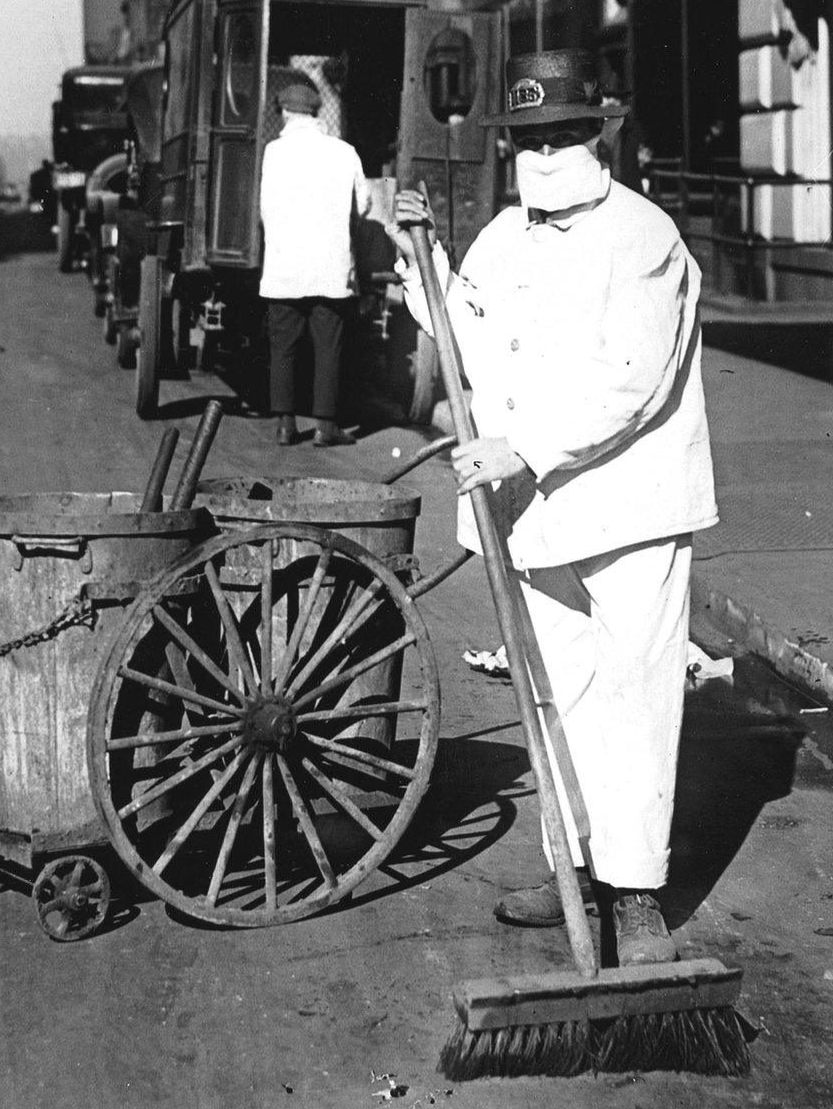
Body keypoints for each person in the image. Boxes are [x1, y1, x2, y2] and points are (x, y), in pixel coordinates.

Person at [390, 47, 717, 967]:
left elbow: (633, 382)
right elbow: (464, 333)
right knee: (556, 695)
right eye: (527, 137)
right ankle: (574, 872)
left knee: (637, 698)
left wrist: (524, 446)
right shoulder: (503, 235)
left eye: (559, 134)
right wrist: (421, 259)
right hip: (530, 510)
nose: (543, 151)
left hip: (628, 508)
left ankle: (638, 892)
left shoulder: (643, 237)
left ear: (593, 135)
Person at [259, 80, 371, 446]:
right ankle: (325, 426)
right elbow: (365, 204)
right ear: (317, 112)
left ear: (285, 113)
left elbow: (264, 211)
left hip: (283, 267)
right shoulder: (344, 151)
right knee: (328, 345)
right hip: (330, 265)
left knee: (283, 345)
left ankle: (285, 424)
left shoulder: (273, 152)